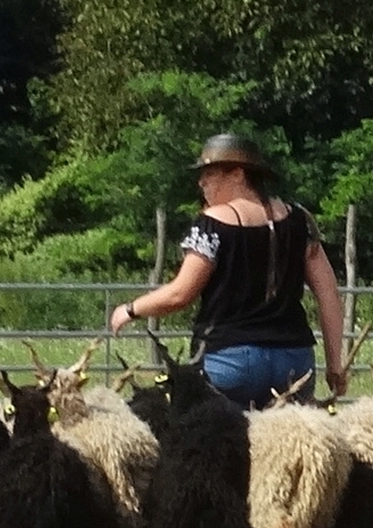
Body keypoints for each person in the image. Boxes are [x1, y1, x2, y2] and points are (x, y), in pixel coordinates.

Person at [108, 133, 349, 408]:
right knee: (288, 446)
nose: (201, 183)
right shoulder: (300, 220)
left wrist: (130, 309)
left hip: (230, 360)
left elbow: (180, 294)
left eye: (210, 174)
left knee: (220, 446)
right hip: (294, 360)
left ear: (237, 174)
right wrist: (334, 364)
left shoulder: (211, 224)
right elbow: (329, 294)